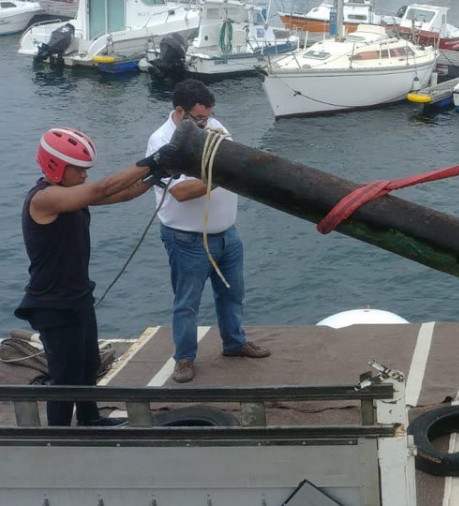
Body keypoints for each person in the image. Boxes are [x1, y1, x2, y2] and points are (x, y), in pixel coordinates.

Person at [15, 127, 177, 426]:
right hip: (52, 304)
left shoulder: (69, 195)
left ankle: (89, 420)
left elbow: (118, 194)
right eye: (79, 170)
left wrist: (155, 177)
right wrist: (152, 160)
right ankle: (59, 439)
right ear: (56, 167)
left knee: (88, 366)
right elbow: (101, 188)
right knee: (65, 379)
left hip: (78, 297)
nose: (84, 176)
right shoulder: (44, 199)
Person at [147, 78, 269, 384]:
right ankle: (184, 358)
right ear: (180, 111)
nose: (204, 123)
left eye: (207, 117)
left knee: (232, 293)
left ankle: (235, 342)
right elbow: (181, 191)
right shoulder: (162, 142)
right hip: (187, 239)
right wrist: (223, 176)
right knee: (187, 301)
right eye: (198, 118)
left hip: (227, 233)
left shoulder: (215, 127)